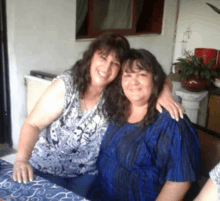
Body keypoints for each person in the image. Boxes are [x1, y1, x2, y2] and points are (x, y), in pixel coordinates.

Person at [13, 33, 184, 197]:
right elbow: (33, 124)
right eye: (103, 57)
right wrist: (21, 159)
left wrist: (164, 90)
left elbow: (153, 74)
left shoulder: (117, 90)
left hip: (85, 176)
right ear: (91, 56)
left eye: (115, 63)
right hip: (46, 169)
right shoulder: (67, 85)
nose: (106, 67)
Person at [89, 48, 200, 201]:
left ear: (154, 79)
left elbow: (179, 182)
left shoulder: (171, 123)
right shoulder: (118, 109)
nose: (133, 82)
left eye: (141, 75)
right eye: (127, 75)